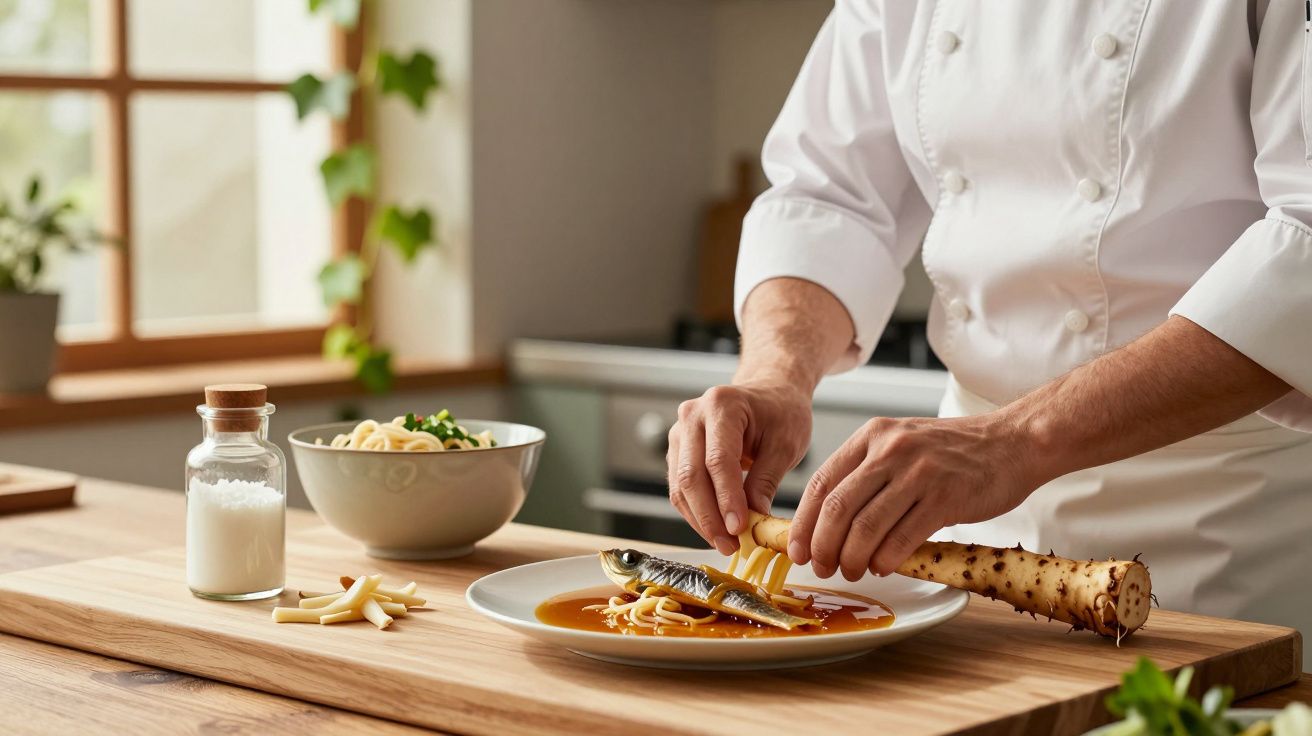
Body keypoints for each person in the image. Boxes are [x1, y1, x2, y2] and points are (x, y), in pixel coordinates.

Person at [666, 1, 1312, 658]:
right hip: (966, 536)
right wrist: (775, 374)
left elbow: (1306, 240)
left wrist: (1012, 442)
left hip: (1221, 526)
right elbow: (830, 198)